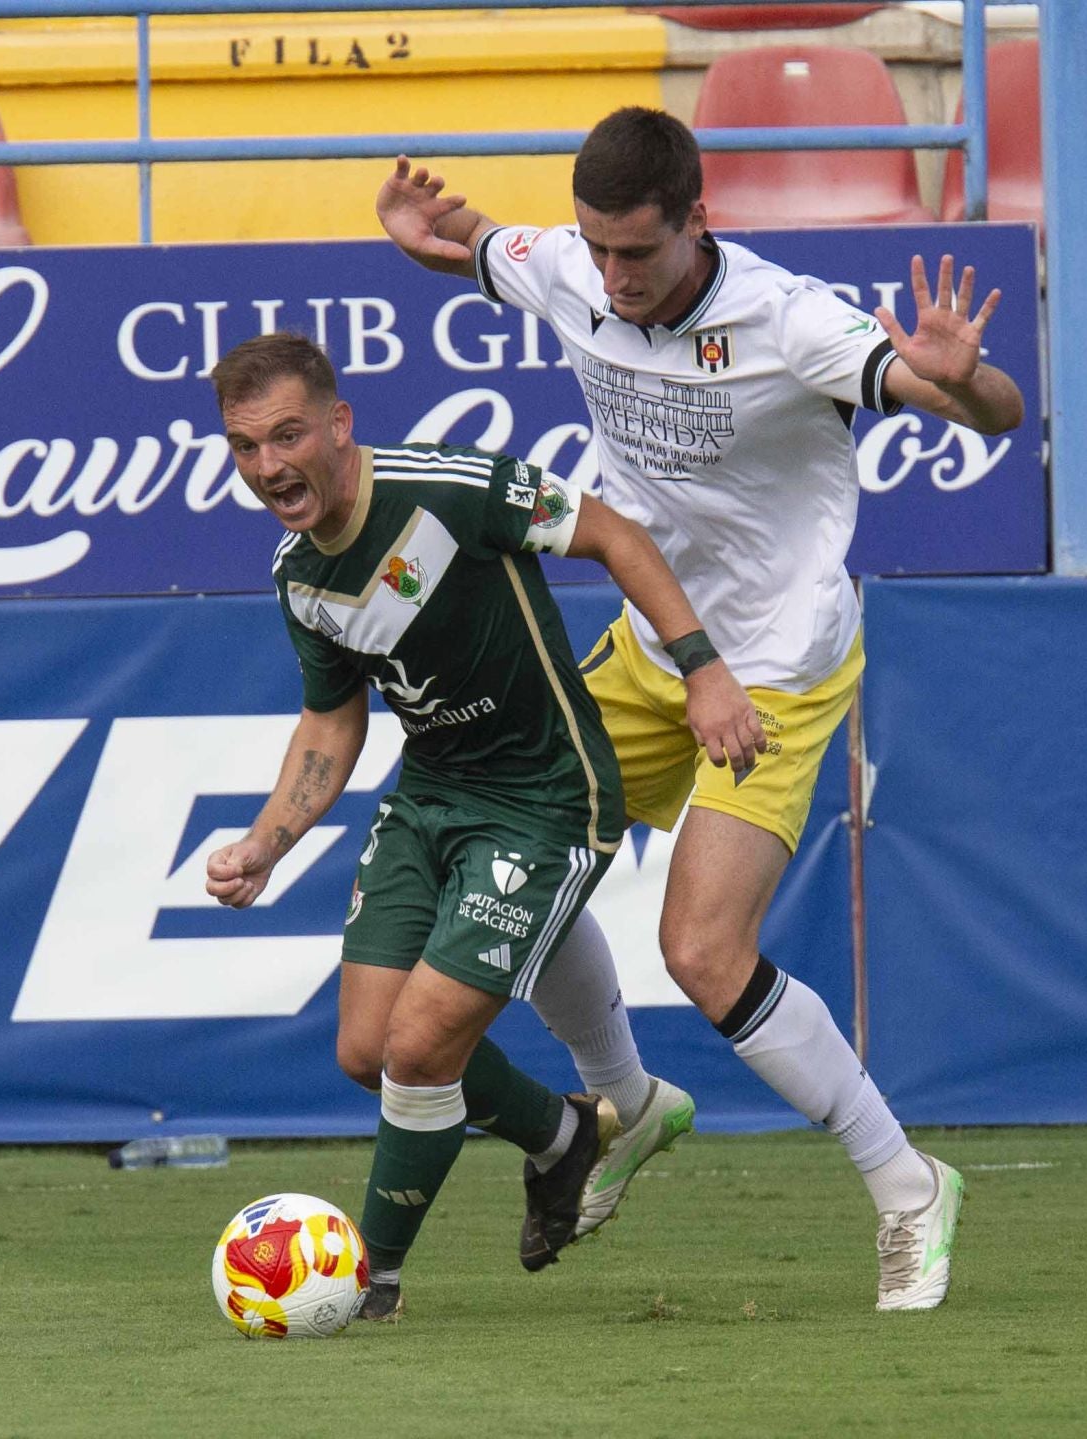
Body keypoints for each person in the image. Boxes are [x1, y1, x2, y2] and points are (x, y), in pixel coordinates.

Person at [375, 106, 1027, 1311]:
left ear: (699, 221)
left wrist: (965, 378)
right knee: (534, 846)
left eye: (640, 254)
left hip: (775, 661)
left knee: (702, 951)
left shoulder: (794, 323)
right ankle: (619, 1099)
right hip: (651, 648)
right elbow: (475, 246)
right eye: (599, 251)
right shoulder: (571, 270)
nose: (615, 280)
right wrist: (427, 231)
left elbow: (993, 416)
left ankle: (907, 1184)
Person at [203, 332, 762, 1321]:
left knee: (421, 1048)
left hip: (547, 795)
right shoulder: (300, 576)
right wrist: (264, 841)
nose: (268, 466)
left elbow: (617, 535)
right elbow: (332, 721)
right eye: (245, 446)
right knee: (367, 1048)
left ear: (339, 423)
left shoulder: (450, 492)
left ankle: (365, 1280)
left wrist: (703, 668)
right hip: (430, 797)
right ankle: (562, 1135)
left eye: (287, 435)